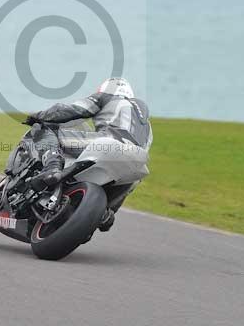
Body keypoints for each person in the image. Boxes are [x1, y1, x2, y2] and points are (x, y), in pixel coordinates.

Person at [22, 77, 152, 231]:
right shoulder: (148, 126)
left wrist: (39, 116)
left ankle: (52, 168)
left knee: (45, 131)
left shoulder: (108, 96)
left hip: (108, 142)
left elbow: (73, 110)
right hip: (138, 160)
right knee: (133, 177)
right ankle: (105, 213)